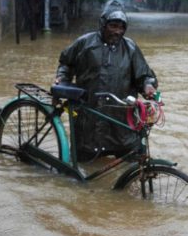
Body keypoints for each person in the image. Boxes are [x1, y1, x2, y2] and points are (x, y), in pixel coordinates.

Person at [54, 10, 157, 162]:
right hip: (89, 119)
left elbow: (144, 75)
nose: (117, 31)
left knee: (131, 167)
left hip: (122, 122)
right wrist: (62, 79)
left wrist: (148, 85)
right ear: (103, 25)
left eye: (121, 27)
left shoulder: (131, 48)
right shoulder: (85, 43)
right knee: (83, 169)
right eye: (113, 26)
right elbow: (66, 63)